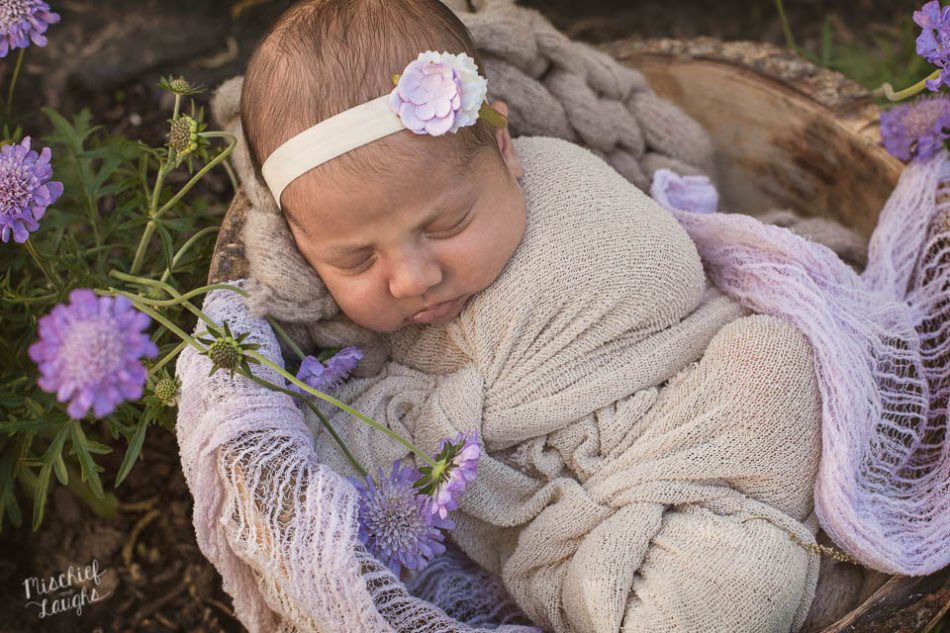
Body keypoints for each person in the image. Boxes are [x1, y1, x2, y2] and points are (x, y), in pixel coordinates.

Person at [232, 1, 825, 631]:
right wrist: (422, 421)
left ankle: (757, 528)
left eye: (445, 224)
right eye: (354, 260)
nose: (413, 279)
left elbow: (666, 271)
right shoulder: (384, 359)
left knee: (774, 357)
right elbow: (373, 443)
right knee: (726, 594)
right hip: (581, 517)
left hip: (690, 407)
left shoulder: (565, 178)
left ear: (506, 150)